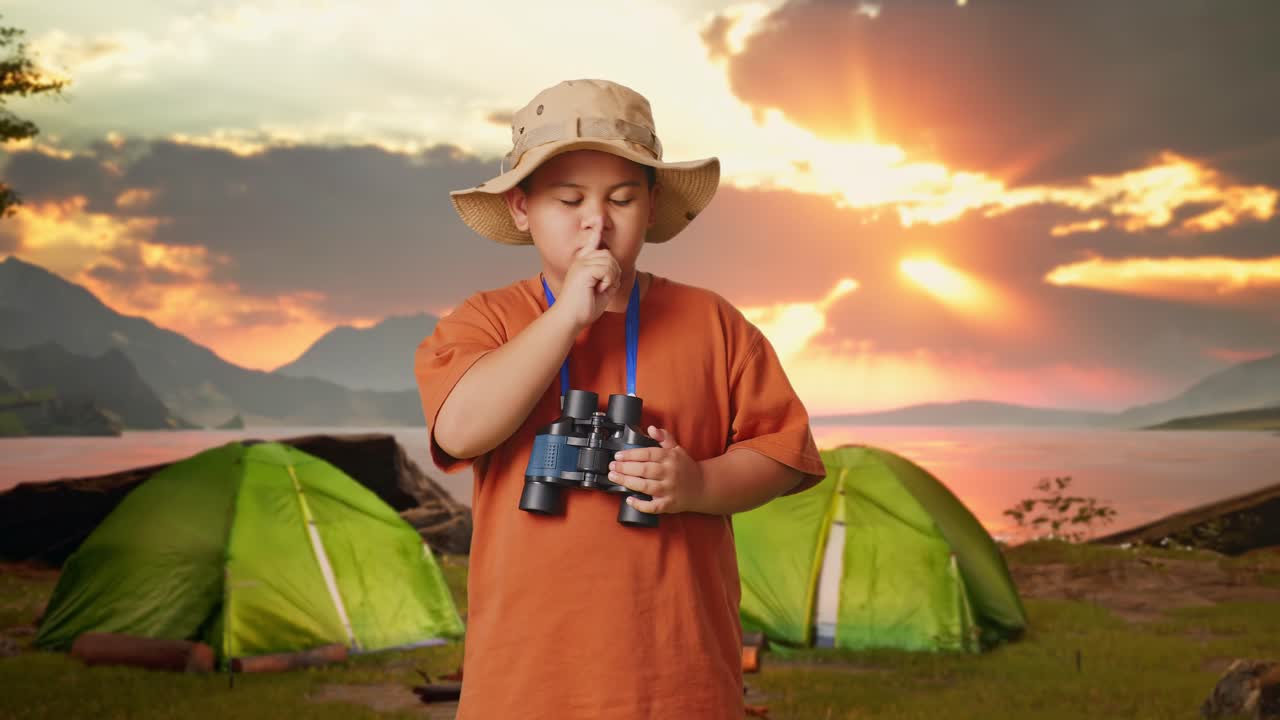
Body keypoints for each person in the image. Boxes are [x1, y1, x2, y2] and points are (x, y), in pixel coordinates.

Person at [415, 78, 825, 719]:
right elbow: (462, 430)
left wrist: (697, 485)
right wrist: (566, 319)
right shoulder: (484, 322)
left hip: (680, 681)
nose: (596, 221)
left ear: (653, 206)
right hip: (525, 686)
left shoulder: (712, 324)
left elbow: (784, 454)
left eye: (623, 199)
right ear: (522, 208)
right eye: (568, 199)